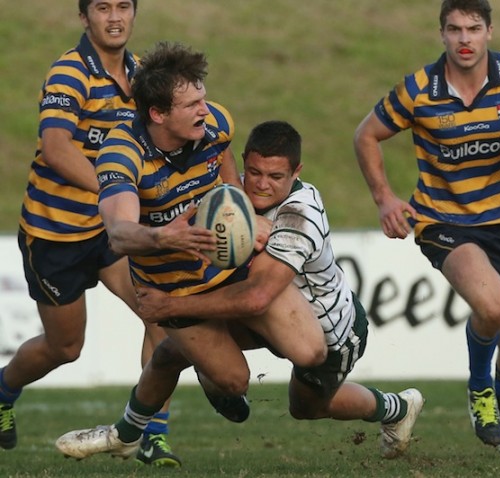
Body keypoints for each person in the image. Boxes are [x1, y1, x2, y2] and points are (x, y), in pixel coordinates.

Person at [55, 120, 424, 461]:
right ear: (247, 162)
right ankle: (126, 433)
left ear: (296, 172)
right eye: (256, 173)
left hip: (327, 330)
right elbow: (217, 156)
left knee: (307, 407)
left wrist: (171, 304)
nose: (262, 184)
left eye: (276, 176)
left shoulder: (299, 216)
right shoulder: (233, 194)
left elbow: (257, 295)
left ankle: (397, 407)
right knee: (171, 351)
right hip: (265, 317)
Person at [54, 45, 328, 462]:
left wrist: (243, 214)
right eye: (192, 104)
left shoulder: (215, 123)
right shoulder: (122, 154)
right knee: (234, 383)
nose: (205, 109)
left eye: (202, 97)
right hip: (172, 288)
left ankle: (183, 352)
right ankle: (198, 357)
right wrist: (166, 238)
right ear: (159, 114)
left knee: (310, 351)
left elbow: (225, 166)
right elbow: (120, 234)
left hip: (230, 268)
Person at [353, 0, 500, 460]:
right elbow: (366, 134)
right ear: (441, 34)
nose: (464, 38)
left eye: (473, 29)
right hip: (443, 221)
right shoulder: (420, 89)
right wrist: (385, 198)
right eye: (455, 29)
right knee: (493, 304)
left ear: (489, 33)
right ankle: (481, 389)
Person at [0, 0, 182, 467]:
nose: (115, 17)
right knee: (65, 348)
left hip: (110, 230)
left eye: (124, 6)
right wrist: (112, 188)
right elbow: (56, 149)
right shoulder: (70, 72)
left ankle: (151, 434)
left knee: (160, 313)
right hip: (54, 232)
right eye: (103, 7)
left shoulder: (143, 76)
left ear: (135, 13)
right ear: (85, 17)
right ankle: (2, 391)